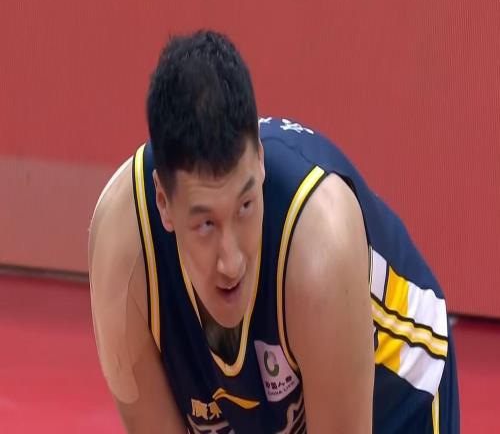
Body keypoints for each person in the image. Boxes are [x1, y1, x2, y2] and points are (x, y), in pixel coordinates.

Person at [88, 30, 459, 433]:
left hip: (396, 384)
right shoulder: (121, 254)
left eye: (246, 206)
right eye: (206, 224)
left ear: (260, 162)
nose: (231, 262)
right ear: (163, 201)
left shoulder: (320, 246)